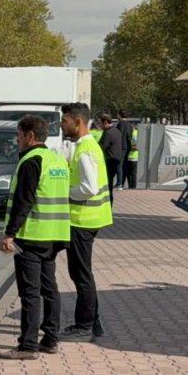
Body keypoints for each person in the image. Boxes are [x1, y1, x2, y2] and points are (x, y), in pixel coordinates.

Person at [0, 115, 71, 359]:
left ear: (29, 136)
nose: (17, 141)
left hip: (32, 235)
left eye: (18, 136)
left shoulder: (31, 160)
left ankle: (27, 345)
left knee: (30, 293)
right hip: (56, 234)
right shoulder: (57, 160)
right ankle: (50, 339)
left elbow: (23, 201)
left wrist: (9, 233)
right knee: (50, 289)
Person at [58, 103, 113, 342]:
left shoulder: (86, 149)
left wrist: (65, 193)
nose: (62, 125)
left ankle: (85, 325)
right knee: (82, 273)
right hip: (88, 218)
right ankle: (93, 322)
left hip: (83, 220)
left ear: (78, 122)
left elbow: (88, 188)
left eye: (65, 121)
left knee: (81, 274)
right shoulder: (85, 146)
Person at [98, 114, 124, 199]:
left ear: (105, 122)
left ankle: (108, 204)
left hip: (109, 161)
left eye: (100, 123)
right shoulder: (116, 131)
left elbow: (101, 147)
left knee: (107, 185)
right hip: (116, 160)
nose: (99, 125)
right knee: (110, 185)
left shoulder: (108, 133)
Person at [117, 110, 138, 190]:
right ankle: (125, 184)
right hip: (129, 149)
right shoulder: (130, 125)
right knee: (127, 168)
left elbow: (119, 135)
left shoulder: (120, 124)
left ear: (120, 115)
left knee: (120, 165)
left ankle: (120, 183)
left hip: (122, 147)